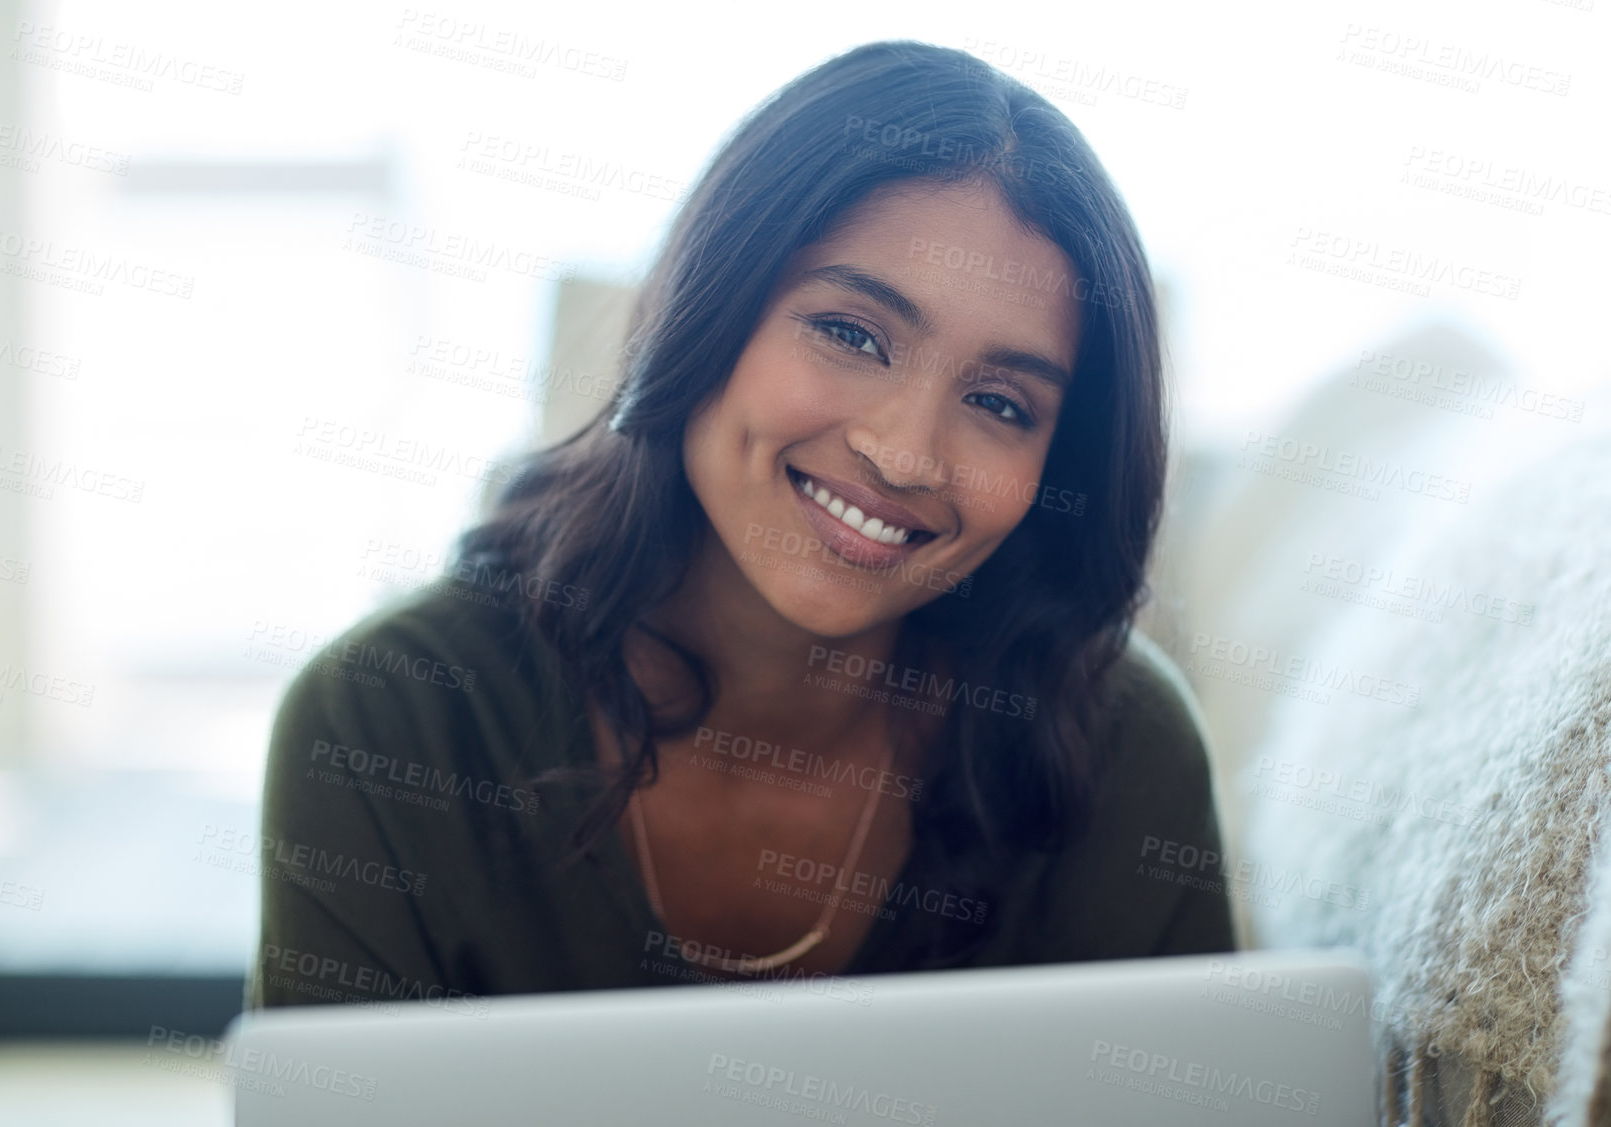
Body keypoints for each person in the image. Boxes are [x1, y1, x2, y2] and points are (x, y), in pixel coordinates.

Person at [246, 39, 1234, 1015]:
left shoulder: (1113, 747)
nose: (905, 453)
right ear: (708, 305)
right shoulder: (390, 719)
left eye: (1001, 403)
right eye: (851, 333)